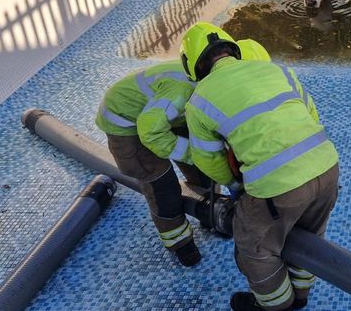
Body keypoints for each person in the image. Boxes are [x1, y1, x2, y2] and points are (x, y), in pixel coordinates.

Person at [181, 22, 339, 311]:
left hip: (276, 186)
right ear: (233, 49)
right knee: (311, 235)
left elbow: (206, 160)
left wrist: (237, 186)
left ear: (192, 64)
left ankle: (276, 305)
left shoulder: (199, 99)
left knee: (254, 245)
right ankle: (301, 295)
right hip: (327, 166)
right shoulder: (277, 70)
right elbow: (311, 115)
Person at [96, 39, 271, 267]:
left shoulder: (216, 82)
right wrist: (193, 153)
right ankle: (180, 243)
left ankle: (210, 214)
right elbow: (149, 130)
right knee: (162, 185)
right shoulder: (183, 88)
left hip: (171, 112)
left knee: (204, 169)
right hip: (128, 122)